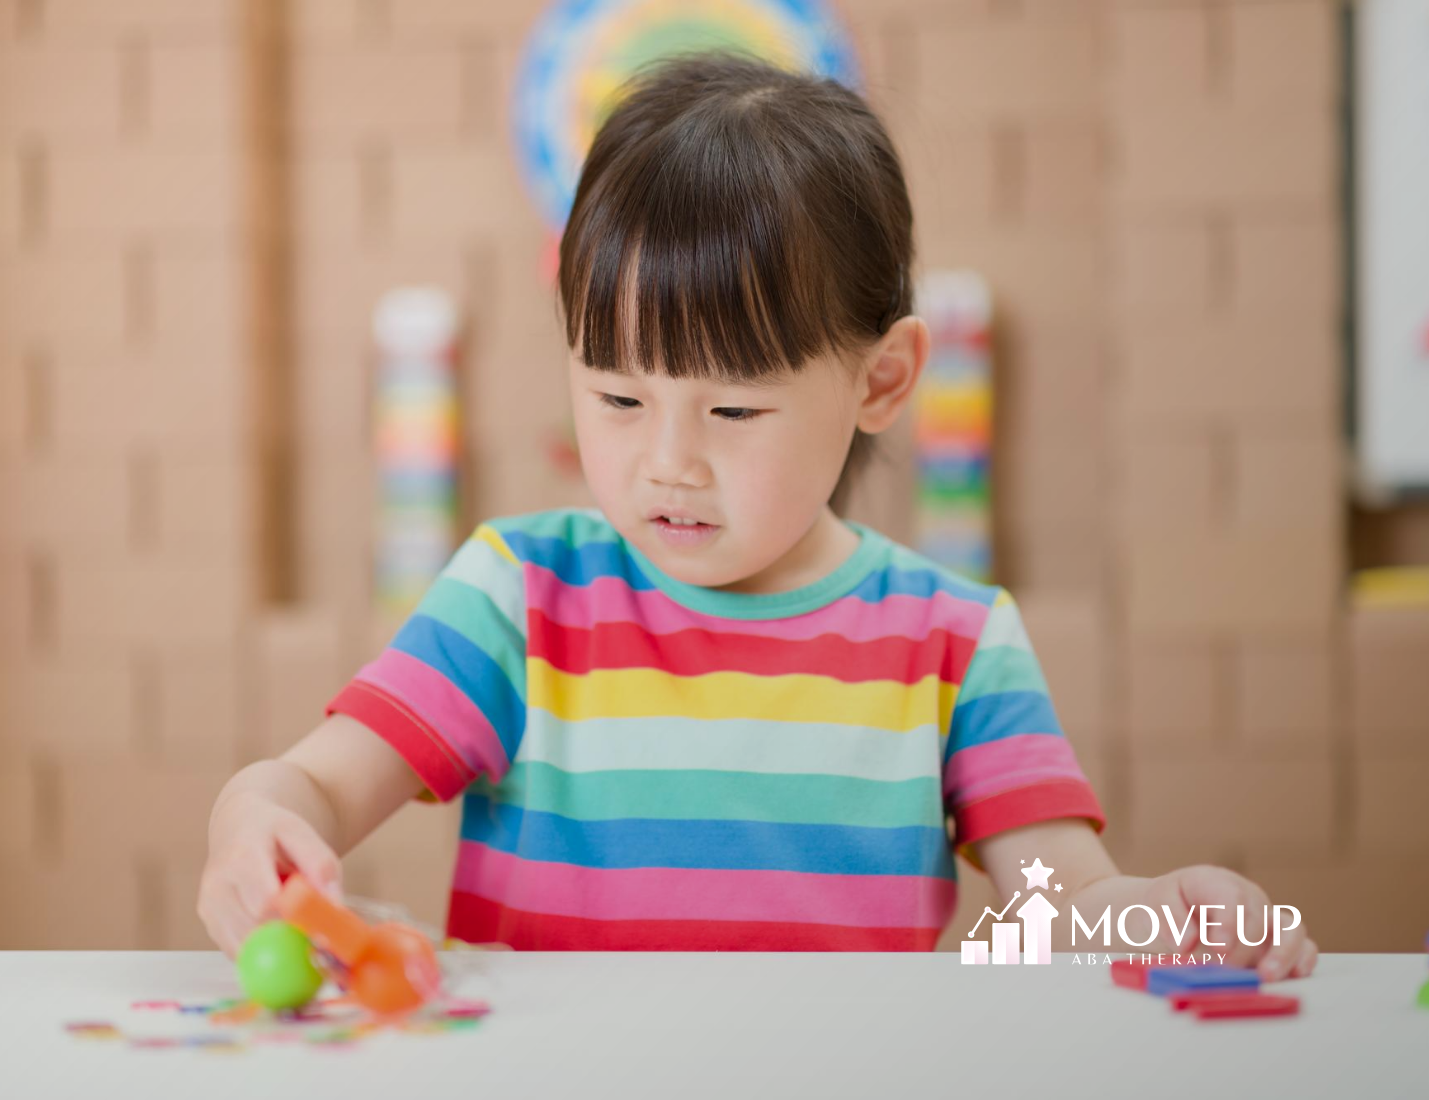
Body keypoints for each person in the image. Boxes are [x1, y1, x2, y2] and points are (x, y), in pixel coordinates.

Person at [200, 53, 1317, 975]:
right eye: (619, 397)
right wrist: (253, 820)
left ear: (881, 380)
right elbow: (308, 783)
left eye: (733, 407)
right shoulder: (517, 596)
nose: (668, 462)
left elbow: (1066, 907)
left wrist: (1158, 913)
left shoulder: (953, 643)